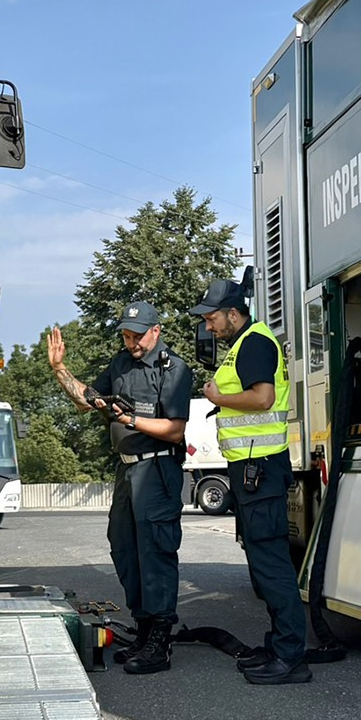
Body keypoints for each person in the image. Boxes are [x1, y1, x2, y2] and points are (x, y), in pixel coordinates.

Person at [47, 301, 191, 674]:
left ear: (156, 331)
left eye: (137, 336)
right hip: (126, 471)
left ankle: (159, 641)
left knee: (156, 552)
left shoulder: (173, 369)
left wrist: (131, 419)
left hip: (157, 469)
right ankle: (143, 630)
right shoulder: (121, 363)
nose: (131, 343)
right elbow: (87, 401)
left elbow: (175, 430)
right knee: (126, 549)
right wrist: (60, 369)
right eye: (126, 336)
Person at [192, 278, 310, 685]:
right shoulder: (244, 344)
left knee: (271, 565)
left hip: (259, 467)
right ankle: (280, 647)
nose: (209, 327)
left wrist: (217, 398)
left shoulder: (255, 342)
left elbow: (262, 399)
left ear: (233, 313)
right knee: (263, 565)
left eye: (212, 319)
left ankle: (290, 657)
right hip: (251, 469)